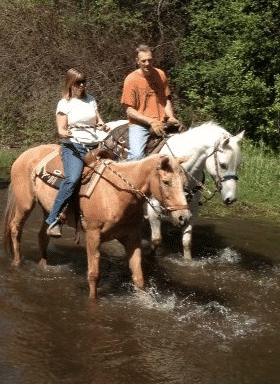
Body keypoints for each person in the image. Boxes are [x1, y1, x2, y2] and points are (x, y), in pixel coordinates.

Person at [44, 68, 109, 238]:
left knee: (115, 170)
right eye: (78, 83)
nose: (82, 85)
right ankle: (53, 219)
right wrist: (65, 133)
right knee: (73, 179)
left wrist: (102, 125)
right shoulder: (64, 104)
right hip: (73, 146)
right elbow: (61, 129)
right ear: (70, 84)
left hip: (95, 144)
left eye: (83, 82)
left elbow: (97, 119)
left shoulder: (90, 99)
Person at [120, 44, 184, 159]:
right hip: (140, 125)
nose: (147, 64)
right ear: (137, 61)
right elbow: (130, 111)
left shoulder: (160, 74)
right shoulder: (131, 79)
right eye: (143, 61)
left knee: (184, 150)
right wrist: (151, 121)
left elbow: (166, 100)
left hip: (162, 122)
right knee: (137, 156)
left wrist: (171, 117)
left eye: (149, 60)